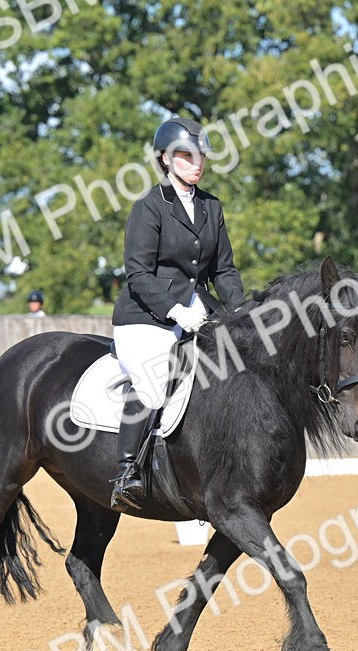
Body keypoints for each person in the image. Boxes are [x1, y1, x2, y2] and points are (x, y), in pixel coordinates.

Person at [108, 117, 247, 511]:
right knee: (153, 384)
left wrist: (240, 313)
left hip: (200, 310)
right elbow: (136, 273)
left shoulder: (211, 206)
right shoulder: (148, 207)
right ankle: (127, 473)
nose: (195, 163)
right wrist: (172, 310)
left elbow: (223, 269)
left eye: (199, 155)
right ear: (165, 160)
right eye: (185, 156)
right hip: (145, 316)